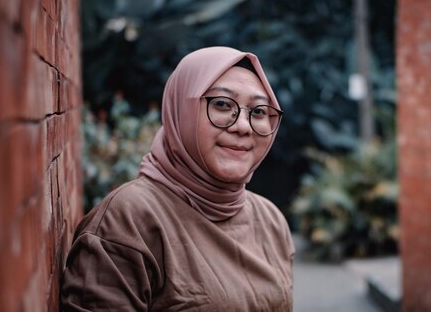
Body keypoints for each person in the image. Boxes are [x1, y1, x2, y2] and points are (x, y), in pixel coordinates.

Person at [61, 47, 294, 311]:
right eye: (221, 104)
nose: (242, 125)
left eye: (259, 111)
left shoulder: (271, 221)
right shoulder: (129, 220)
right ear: (182, 109)